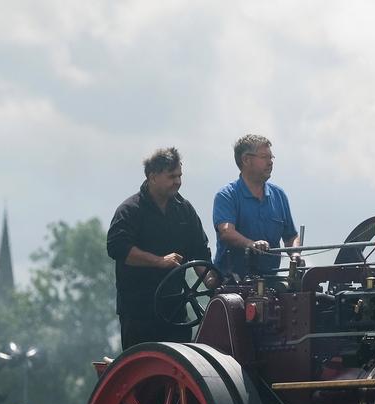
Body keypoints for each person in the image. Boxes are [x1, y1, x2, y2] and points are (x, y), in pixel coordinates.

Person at [107, 147, 216, 349]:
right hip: (139, 313)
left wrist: (210, 280)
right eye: (171, 176)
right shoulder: (130, 210)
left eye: (180, 175)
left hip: (175, 312)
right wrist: (159, 261)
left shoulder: (185, 211)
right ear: (152, 177)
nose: (178, 181)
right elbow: (117, 248)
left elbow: (199, 251)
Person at [212, 134, 300, 279]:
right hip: (232, 284)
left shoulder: (279, 195)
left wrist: (295, 253)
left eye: (271, 157)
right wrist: (251, 244)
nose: (270, 162)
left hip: (270, 281)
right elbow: (226, 232)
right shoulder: (227, 195)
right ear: (246, 159)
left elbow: (291, 236)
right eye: (265, 157)